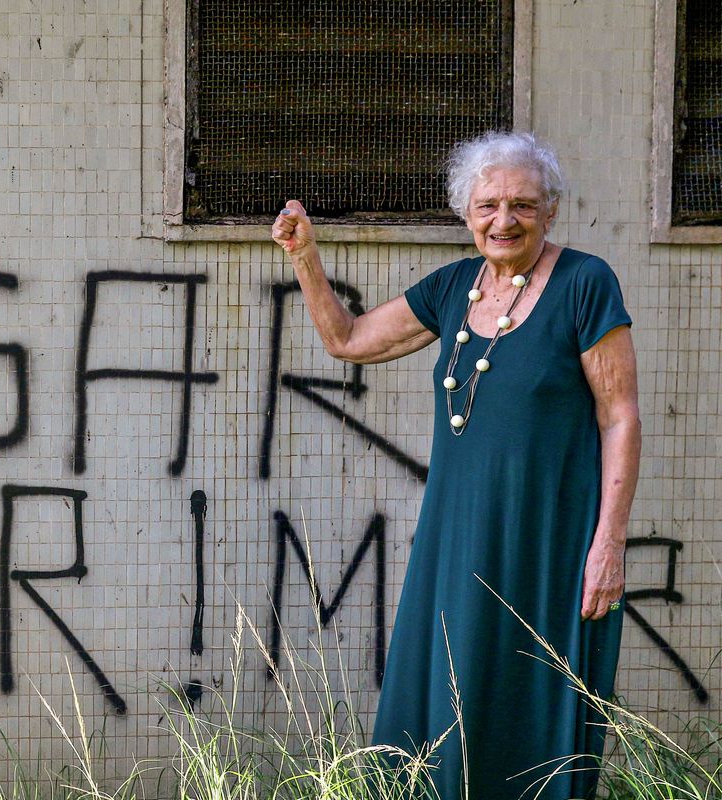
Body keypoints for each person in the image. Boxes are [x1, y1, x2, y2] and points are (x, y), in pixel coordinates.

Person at [271, 131, 640, 800]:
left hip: (550, 541)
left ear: (550, 210)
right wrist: (306, 258)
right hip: (456, 538)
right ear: (466, 213)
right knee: (446, 700)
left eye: (524, 205)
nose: (505, 220)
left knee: (531, 703)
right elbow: (347, 340)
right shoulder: (453, 290)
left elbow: (620, 417)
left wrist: (608, 542)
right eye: (489, 204)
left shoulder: (586, 284)